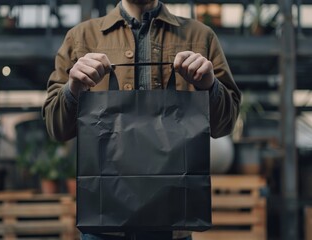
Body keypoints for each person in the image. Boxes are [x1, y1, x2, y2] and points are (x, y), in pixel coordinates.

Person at [42, 0, 241, 239]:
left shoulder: (200, 37)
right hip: (105, 224)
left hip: (172, 223)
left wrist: (210, 85)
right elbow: (56, 128)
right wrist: (73, 88)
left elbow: (225, 125)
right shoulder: (81, 38)